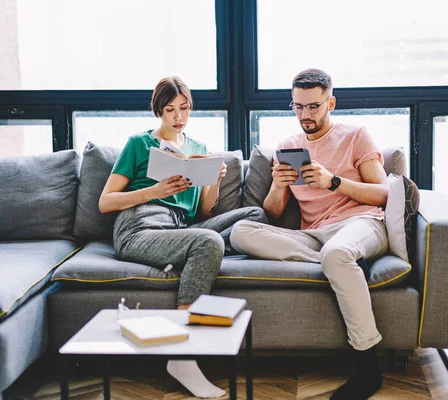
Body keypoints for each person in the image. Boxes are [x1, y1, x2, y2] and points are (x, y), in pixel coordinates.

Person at [99, 76, 267, 398]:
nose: (178, 117)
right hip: (140, 225)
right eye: (170, 110)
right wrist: (154, 191)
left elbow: (204, 213)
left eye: (184, 108)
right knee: (209, 242)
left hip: (181, 228)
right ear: (158, 112)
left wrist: (216, 180)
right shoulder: (139, 144)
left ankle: (193, 254)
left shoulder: (198, 151)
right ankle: (182, 356)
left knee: (254, 216)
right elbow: (106, 202)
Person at [230, 68, 389, 400]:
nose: (306, 115)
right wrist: (278, 184)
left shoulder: (356, 135)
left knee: (338, 252)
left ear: (330, 102)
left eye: (314, 107)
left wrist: (334, 181)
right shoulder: (288, 146)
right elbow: (273, 213)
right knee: (240, 233)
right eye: (298, 107)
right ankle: (338, 264)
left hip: (360, 223)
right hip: (315, 237)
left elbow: (384, 194)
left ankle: (367, 367)